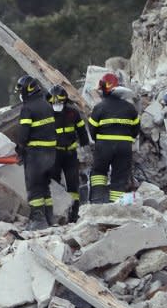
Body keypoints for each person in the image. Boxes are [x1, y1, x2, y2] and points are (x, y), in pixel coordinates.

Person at [88, 73, 140, 204]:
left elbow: (92, 129)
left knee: (99, 172)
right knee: (119, 176)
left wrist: (99, 140)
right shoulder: (130, 108)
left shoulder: (99, 107)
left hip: (104, 146)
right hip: (124, 147)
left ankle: (98, 202)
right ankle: (116, 206)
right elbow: (135, 131)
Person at [15, 75, 57, 230]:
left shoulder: (28, 108)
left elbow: (23, 134)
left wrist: (19, 149)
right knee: (45, 187)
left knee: (34, 187)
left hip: (36, 154)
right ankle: (49, 217)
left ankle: (38, 221)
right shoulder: (46, 105)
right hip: (50, 153)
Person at [47, 85, 89, 223]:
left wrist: (85, 146)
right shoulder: (47, 114)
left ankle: (74, 213)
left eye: (59, 102)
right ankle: (58, 213)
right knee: (55, 184)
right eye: (54, 103)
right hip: (54, 154)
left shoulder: (73, 113)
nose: (56, 105)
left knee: (73, 184)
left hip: (71, 153)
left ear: (64, 101)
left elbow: (82, 131)